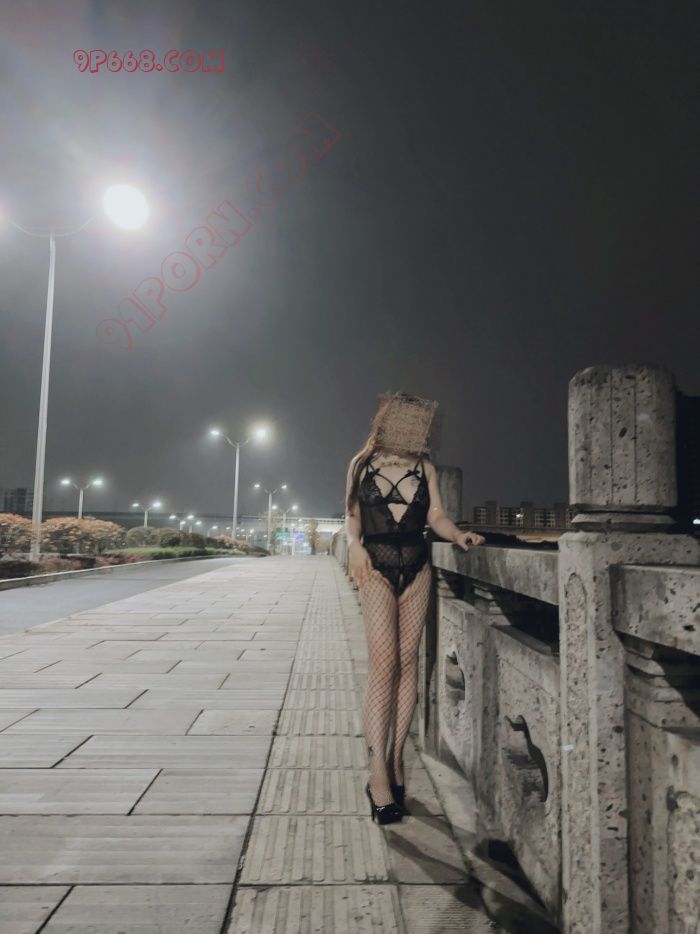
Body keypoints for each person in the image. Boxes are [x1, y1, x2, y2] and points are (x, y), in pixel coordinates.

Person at [344, 391, 485, 824]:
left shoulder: (425, 467)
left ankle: (395, 758)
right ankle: (377, 774)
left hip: (417, 565)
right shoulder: (361, 464)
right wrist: (353, 546)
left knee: (408, 663)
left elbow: (435, 516)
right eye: (412, 421)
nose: (419, 430)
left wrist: (457, 534)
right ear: (390, 421)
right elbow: (352, 517)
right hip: (376, 565)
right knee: (383, 663)